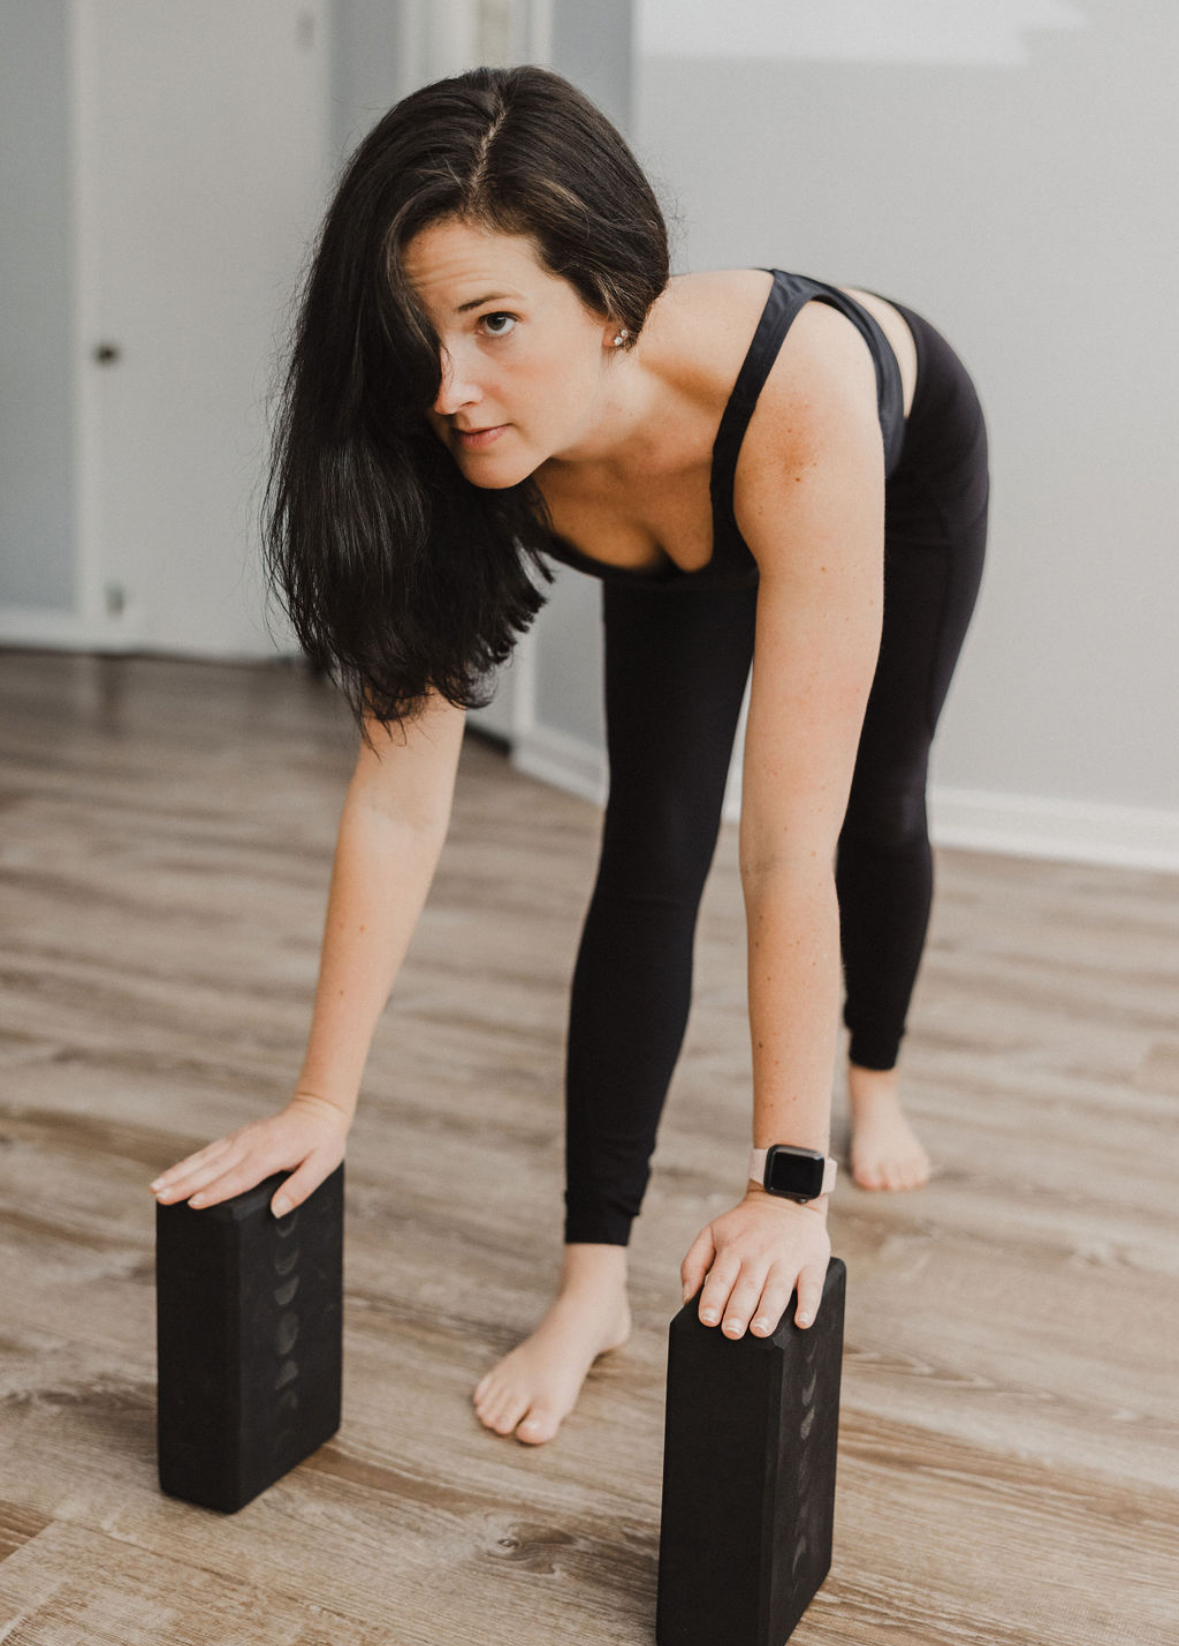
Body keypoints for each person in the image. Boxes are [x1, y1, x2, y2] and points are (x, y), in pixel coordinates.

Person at [148, 64, 988, 1447]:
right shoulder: (453, 443)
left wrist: (790, 1178)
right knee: (647, 845)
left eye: (495, 322)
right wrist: (322, 1095)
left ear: (606, 302)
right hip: (653, 505)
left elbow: (779, 844)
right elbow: (402, 802)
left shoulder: (802, 404)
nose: (452, 389)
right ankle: (588, 1281)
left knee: (865, 811)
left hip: (872, 474)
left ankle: (875, 1080)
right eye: (421, 339)